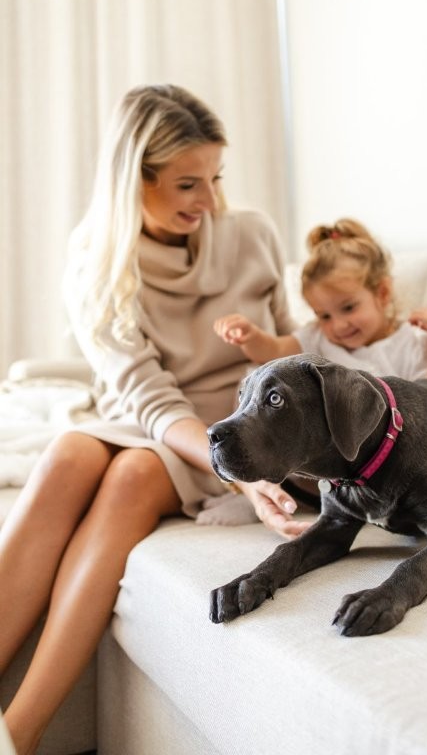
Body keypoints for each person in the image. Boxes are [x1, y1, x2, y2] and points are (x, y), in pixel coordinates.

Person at [0, 84, 308, 755]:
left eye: (215, 178)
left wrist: (249, 469)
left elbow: (293, 356)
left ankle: (17, 736)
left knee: (134, 475)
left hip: (233, 427)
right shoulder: (98, 261)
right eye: (185, 184)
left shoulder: (251, 234)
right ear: (131, 180)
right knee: (72, 455)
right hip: (149, 416)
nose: (207, 200)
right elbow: (147, 396)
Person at [214, 218, 427, 391]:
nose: (338, 325)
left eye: (349, 308)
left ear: (382, 293)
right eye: (324, 316)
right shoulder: (317, 338)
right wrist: (250, 336)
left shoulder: (410, 344)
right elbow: (274, 352)